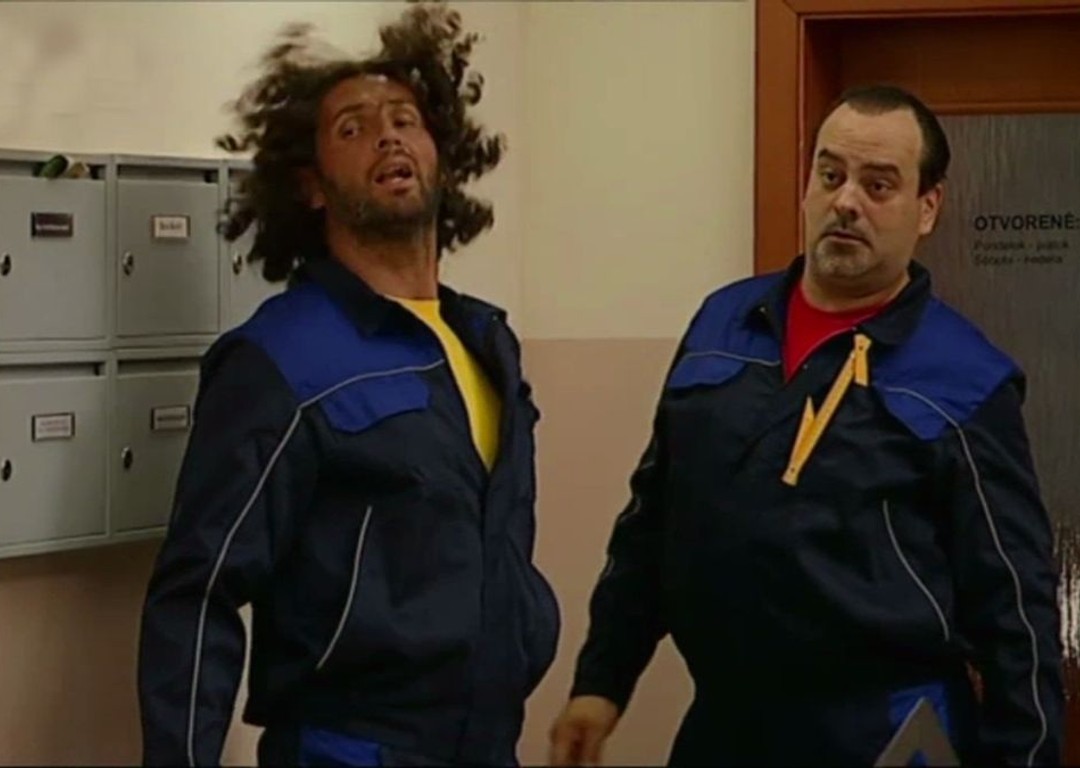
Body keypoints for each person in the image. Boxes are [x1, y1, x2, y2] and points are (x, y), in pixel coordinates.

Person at [549, 84, 1063, 766]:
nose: (846, 201)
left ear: (927, 207)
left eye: (878, 185)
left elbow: (1016, 613)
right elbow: (653, 521)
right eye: (831, 175)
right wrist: (601, 681)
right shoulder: (723, 325)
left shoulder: (965, 380)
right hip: (725, 727)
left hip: (884, 733)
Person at [137, 4, 559, 765]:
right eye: (353, 129)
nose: (388, 137)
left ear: (442, 155)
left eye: (405, 120)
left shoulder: (485, 341)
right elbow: (198, 594)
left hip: (487, 741)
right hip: (348, 748)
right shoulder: (279, 360)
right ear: (311, 188)